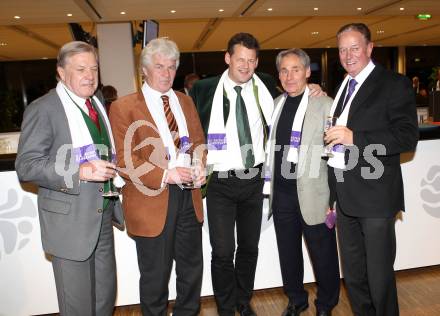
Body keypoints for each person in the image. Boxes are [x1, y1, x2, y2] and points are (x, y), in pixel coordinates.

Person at [190, 32, 323, 316]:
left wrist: (316, 89)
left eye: (251, 61)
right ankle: (226, 307)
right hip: (220, 183)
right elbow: (193, 132)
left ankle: (243, 300)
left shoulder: (264, 82)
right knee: (223, 251)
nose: (246, 66)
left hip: (254, 180)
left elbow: (296, 88)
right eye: (240, 59)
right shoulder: (204, 89)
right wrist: (195, 156)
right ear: (228, 58)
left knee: (249, 247)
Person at [15, 41, 124, 316]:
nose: (89, 75)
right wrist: (80, 171)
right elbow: (27, 166)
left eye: (94, 68)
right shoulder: (44, 109)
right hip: (69, 225)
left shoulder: (96, 103)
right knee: (78, 308)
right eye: (81, 69)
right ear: (61, 73)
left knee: (103, 301)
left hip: (101, 216)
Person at [325, 23, 418, 316]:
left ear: (369, 48)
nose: (348, 54)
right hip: (346, 196)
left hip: (376, 198)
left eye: (354, 47)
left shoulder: (393, 83)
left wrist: (356, 139)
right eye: (342, 49)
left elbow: (406, 136)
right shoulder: (343, 85)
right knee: (354, 278)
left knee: (379, 279)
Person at [109, 37, 206, 316]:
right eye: (159, 66)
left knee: (191, 270)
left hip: (190, 196)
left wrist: (200, 166)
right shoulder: (124, 107)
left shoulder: (185, 102)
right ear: (144, 70)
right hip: (151, 198)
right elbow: (124, 160)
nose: (166, 73)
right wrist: (166, 174)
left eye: (172, 67)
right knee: (155, 277)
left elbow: (199, 143)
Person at [264, 48, 340, 316]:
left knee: (324, 256)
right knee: (289, 254)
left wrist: (334, 199)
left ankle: (326, 304)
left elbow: (338, 156)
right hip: (282, 193)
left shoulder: (326, 105)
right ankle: (296, 299)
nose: (290, 75)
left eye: (296, 69)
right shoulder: (274, 105)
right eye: (284, 70)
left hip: (315, 195)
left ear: (308, 72)